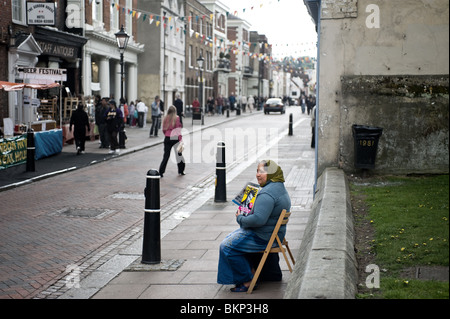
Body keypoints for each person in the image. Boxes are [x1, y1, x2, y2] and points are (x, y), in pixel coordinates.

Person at [217, 160, 291, 292]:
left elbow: (258, 220)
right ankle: (250, 272)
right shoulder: (279, 187)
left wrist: (240, 218)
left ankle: (247, 280)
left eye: (262, 172)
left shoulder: (267, 193)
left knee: (226, 246)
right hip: (274, 235)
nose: (258, 175)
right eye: (257, 171)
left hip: (263, 236)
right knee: (230, 238)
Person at [158, 105, 185, 177]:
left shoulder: (165, 118)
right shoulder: (177, 118)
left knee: (166, 156)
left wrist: (167, 134)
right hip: (175, 138)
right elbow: (178, 130)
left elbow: (163, 129)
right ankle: (181, 170)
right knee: (179, 155)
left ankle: (161, 171)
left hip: (167, 138)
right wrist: (181, 140)